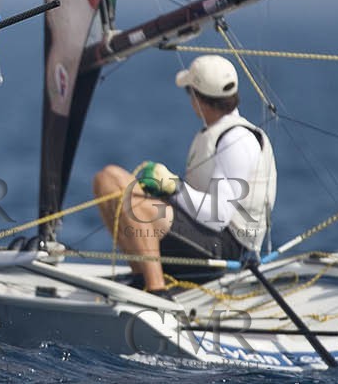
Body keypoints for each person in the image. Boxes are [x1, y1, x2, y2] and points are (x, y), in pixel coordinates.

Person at [92, 55, 277, 293]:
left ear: (197, 98)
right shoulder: (215, 132)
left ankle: (157, 290)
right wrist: (165, 190)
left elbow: (219, 216)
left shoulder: (237, 140)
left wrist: (174, 187)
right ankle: (141, 275)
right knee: (108, 179)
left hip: (229, 249)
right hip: (204, 232)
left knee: (140, 208)